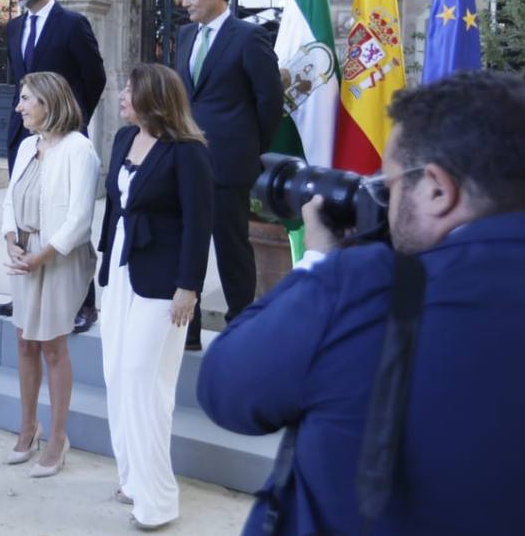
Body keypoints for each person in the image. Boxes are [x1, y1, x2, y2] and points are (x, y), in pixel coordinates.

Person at [198, 70, 525, 535]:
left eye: (389, 185)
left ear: (436, 189)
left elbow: (226, 390)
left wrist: (318, 262)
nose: (384, 202)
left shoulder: (367, 287)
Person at [98, 63, 212, 531]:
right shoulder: (124, 140)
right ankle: (132, 479)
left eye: (129, 89)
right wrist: (102, 270)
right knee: (116, 376)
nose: (121, 96)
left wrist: (189, 288)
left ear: (153, 97)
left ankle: (158, 499)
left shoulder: (187, 152)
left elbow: (199, 225)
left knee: (145, 381)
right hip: (120, 273)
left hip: (163, 282)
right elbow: (113, 211)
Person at [173, 0, 282, 350]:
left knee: (231, 249)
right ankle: (188, 331)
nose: (184, 2)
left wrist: (250, 149)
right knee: (187, 245)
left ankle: (240, 328)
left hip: (229, 165)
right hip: (185, 161)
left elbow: (270, 102)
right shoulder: (185, 36)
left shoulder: (249, 38)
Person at [0, 0, 107, 327]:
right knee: (25, 213)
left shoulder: (73, 24)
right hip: (24, 139)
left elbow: (95, 79)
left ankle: (82, 302)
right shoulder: (13, 28)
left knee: (68, 218)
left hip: (64, 136)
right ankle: (26, 293)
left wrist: (68, 126)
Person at [1, 72, 101, 478]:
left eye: (26, 100)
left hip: (57, 258)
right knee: (24, 342)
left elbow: (80, 219)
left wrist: (40, 255)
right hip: (24, 255)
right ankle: (29, 428)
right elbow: (10, 198)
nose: (19, 107)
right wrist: (10, 239)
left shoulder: (80, 150)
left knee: (53, 346)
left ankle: (58, 438)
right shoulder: (27, 146)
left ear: (49, 102)